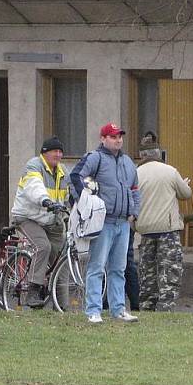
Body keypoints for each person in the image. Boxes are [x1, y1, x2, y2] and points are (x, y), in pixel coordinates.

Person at [70, 123, 140, 323]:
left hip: (123, 222)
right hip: (103, 222)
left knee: (119, 268)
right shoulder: (95, 158)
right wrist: (83, 204)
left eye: (119, 136)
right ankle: (93, 309)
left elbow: (135, 188)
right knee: (97, 266)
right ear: (103, 139)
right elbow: (76, 177)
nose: (118, 140)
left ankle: (118, 308)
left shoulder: (127, 162)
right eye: (112, 136)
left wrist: (133, 212)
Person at [10, 136, 69, 308]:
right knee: (43, 246)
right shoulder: (34, 166)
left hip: (50, 220)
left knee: (61, 254)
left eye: (60, 152)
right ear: (45, 153)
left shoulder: (62, 171)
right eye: (54, 151)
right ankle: (33, 291)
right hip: (27, 217)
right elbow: (34, 187)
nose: (58, 155)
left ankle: (61, 305)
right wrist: (45, 201)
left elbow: (69, 194)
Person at [135, 132, 192, 312]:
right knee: (169, 269)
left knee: (147, 271)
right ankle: (166, 305)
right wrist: (184, 184)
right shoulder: (170, 171)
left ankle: (146, 304)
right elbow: (186, 194)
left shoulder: (135, 173)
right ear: (159, 153)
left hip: (144, 228)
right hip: (167, 229)